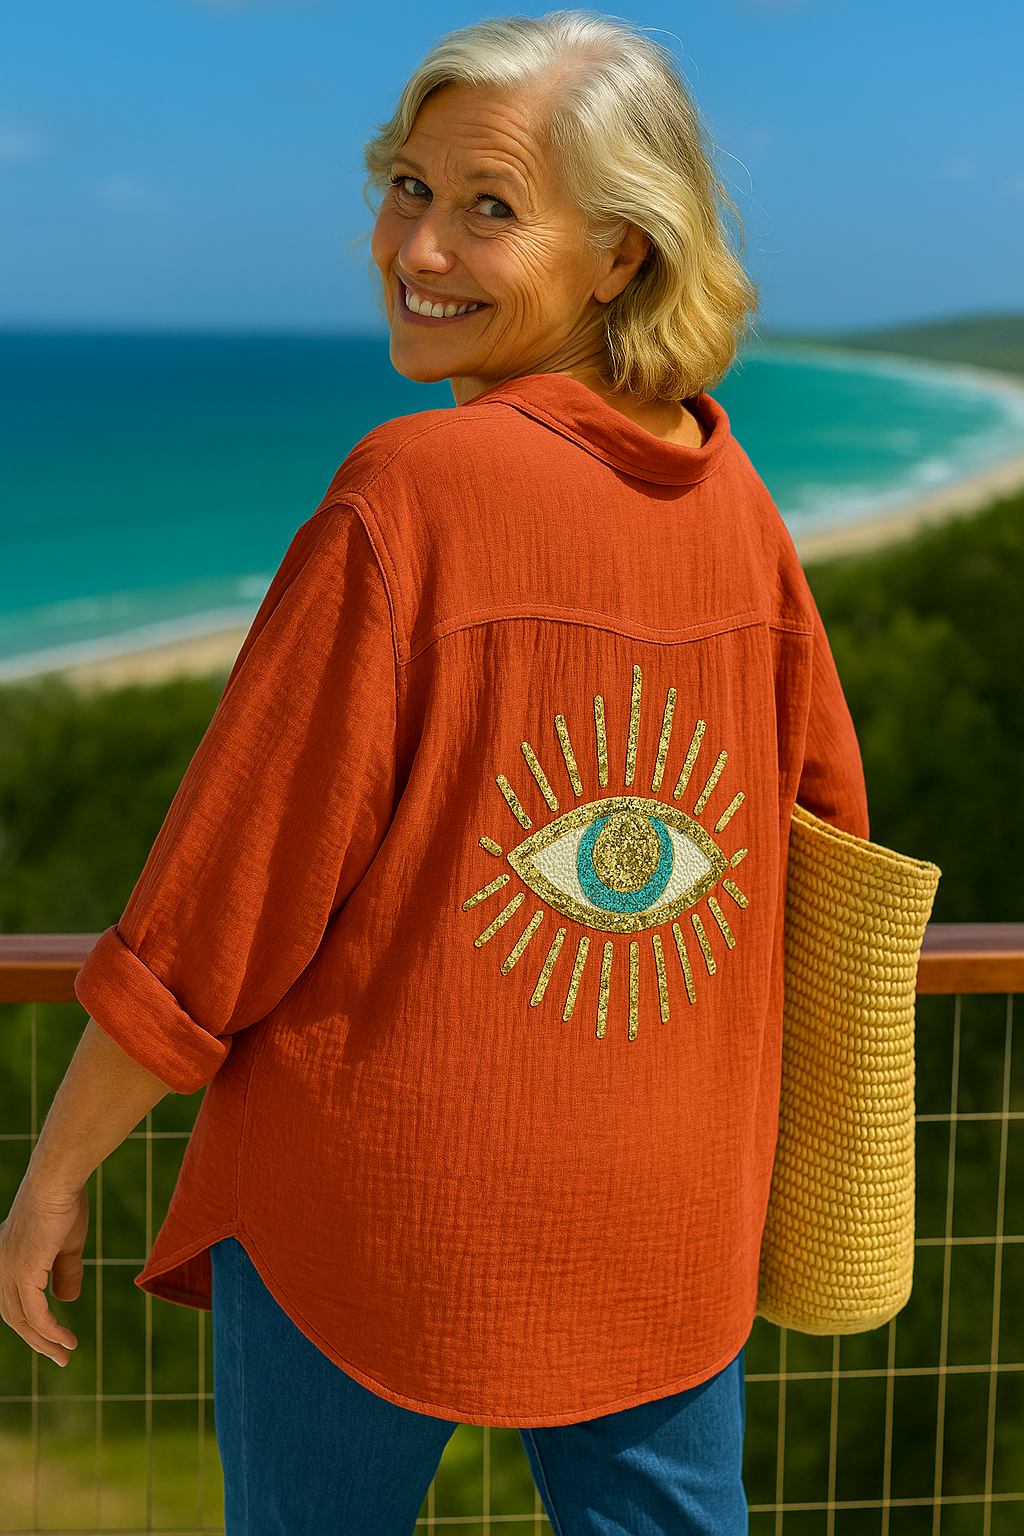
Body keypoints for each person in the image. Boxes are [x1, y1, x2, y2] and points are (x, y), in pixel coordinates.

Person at [0, 12, 868, 1534]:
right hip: (670, 1210)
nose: (421, 248)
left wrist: (56, 1166)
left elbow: (225, 896)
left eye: (490, 206)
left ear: (619, 254)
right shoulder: (740, 507)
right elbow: (824, 840)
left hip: (376, 1211)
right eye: (409, 187)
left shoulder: (411, 489)